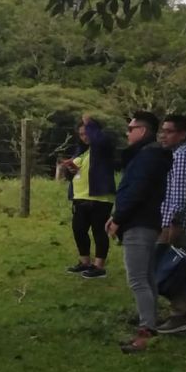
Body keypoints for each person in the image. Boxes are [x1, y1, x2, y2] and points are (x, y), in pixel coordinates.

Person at [105, 112, 172, 354]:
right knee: (147, 277)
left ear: (142, 131)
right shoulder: (149, 156)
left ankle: (145, 332)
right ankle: (150, 326)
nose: (127, 132)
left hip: (138, 223)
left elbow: (137, 191)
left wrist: (119, 218)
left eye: (130, 128)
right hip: (146, 221)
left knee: (137, 279)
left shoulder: (146, 157)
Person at [157, 115, 186, 334]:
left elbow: (179, 192)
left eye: (169, 131)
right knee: (172, 266)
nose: (163, 136)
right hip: (179, 220)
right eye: (162, 131)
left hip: (177, 223)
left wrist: (173, 222)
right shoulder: (184, 153)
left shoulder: (183, 156)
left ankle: (181, 315)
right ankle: (177, 313)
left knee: (174, 268)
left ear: (182, 134)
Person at [61, 115, 116, 279]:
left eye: (88, 133)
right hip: (80, 196)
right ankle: (84, 261)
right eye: (82, 134)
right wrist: (70, 169)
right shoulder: (82, 151)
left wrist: (89, 123)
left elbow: (101, 140)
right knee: (78, 229)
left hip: (99, 197)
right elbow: (76, 172)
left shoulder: (102, 147)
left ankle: (99, 266)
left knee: (99, 230)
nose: (85, 137)